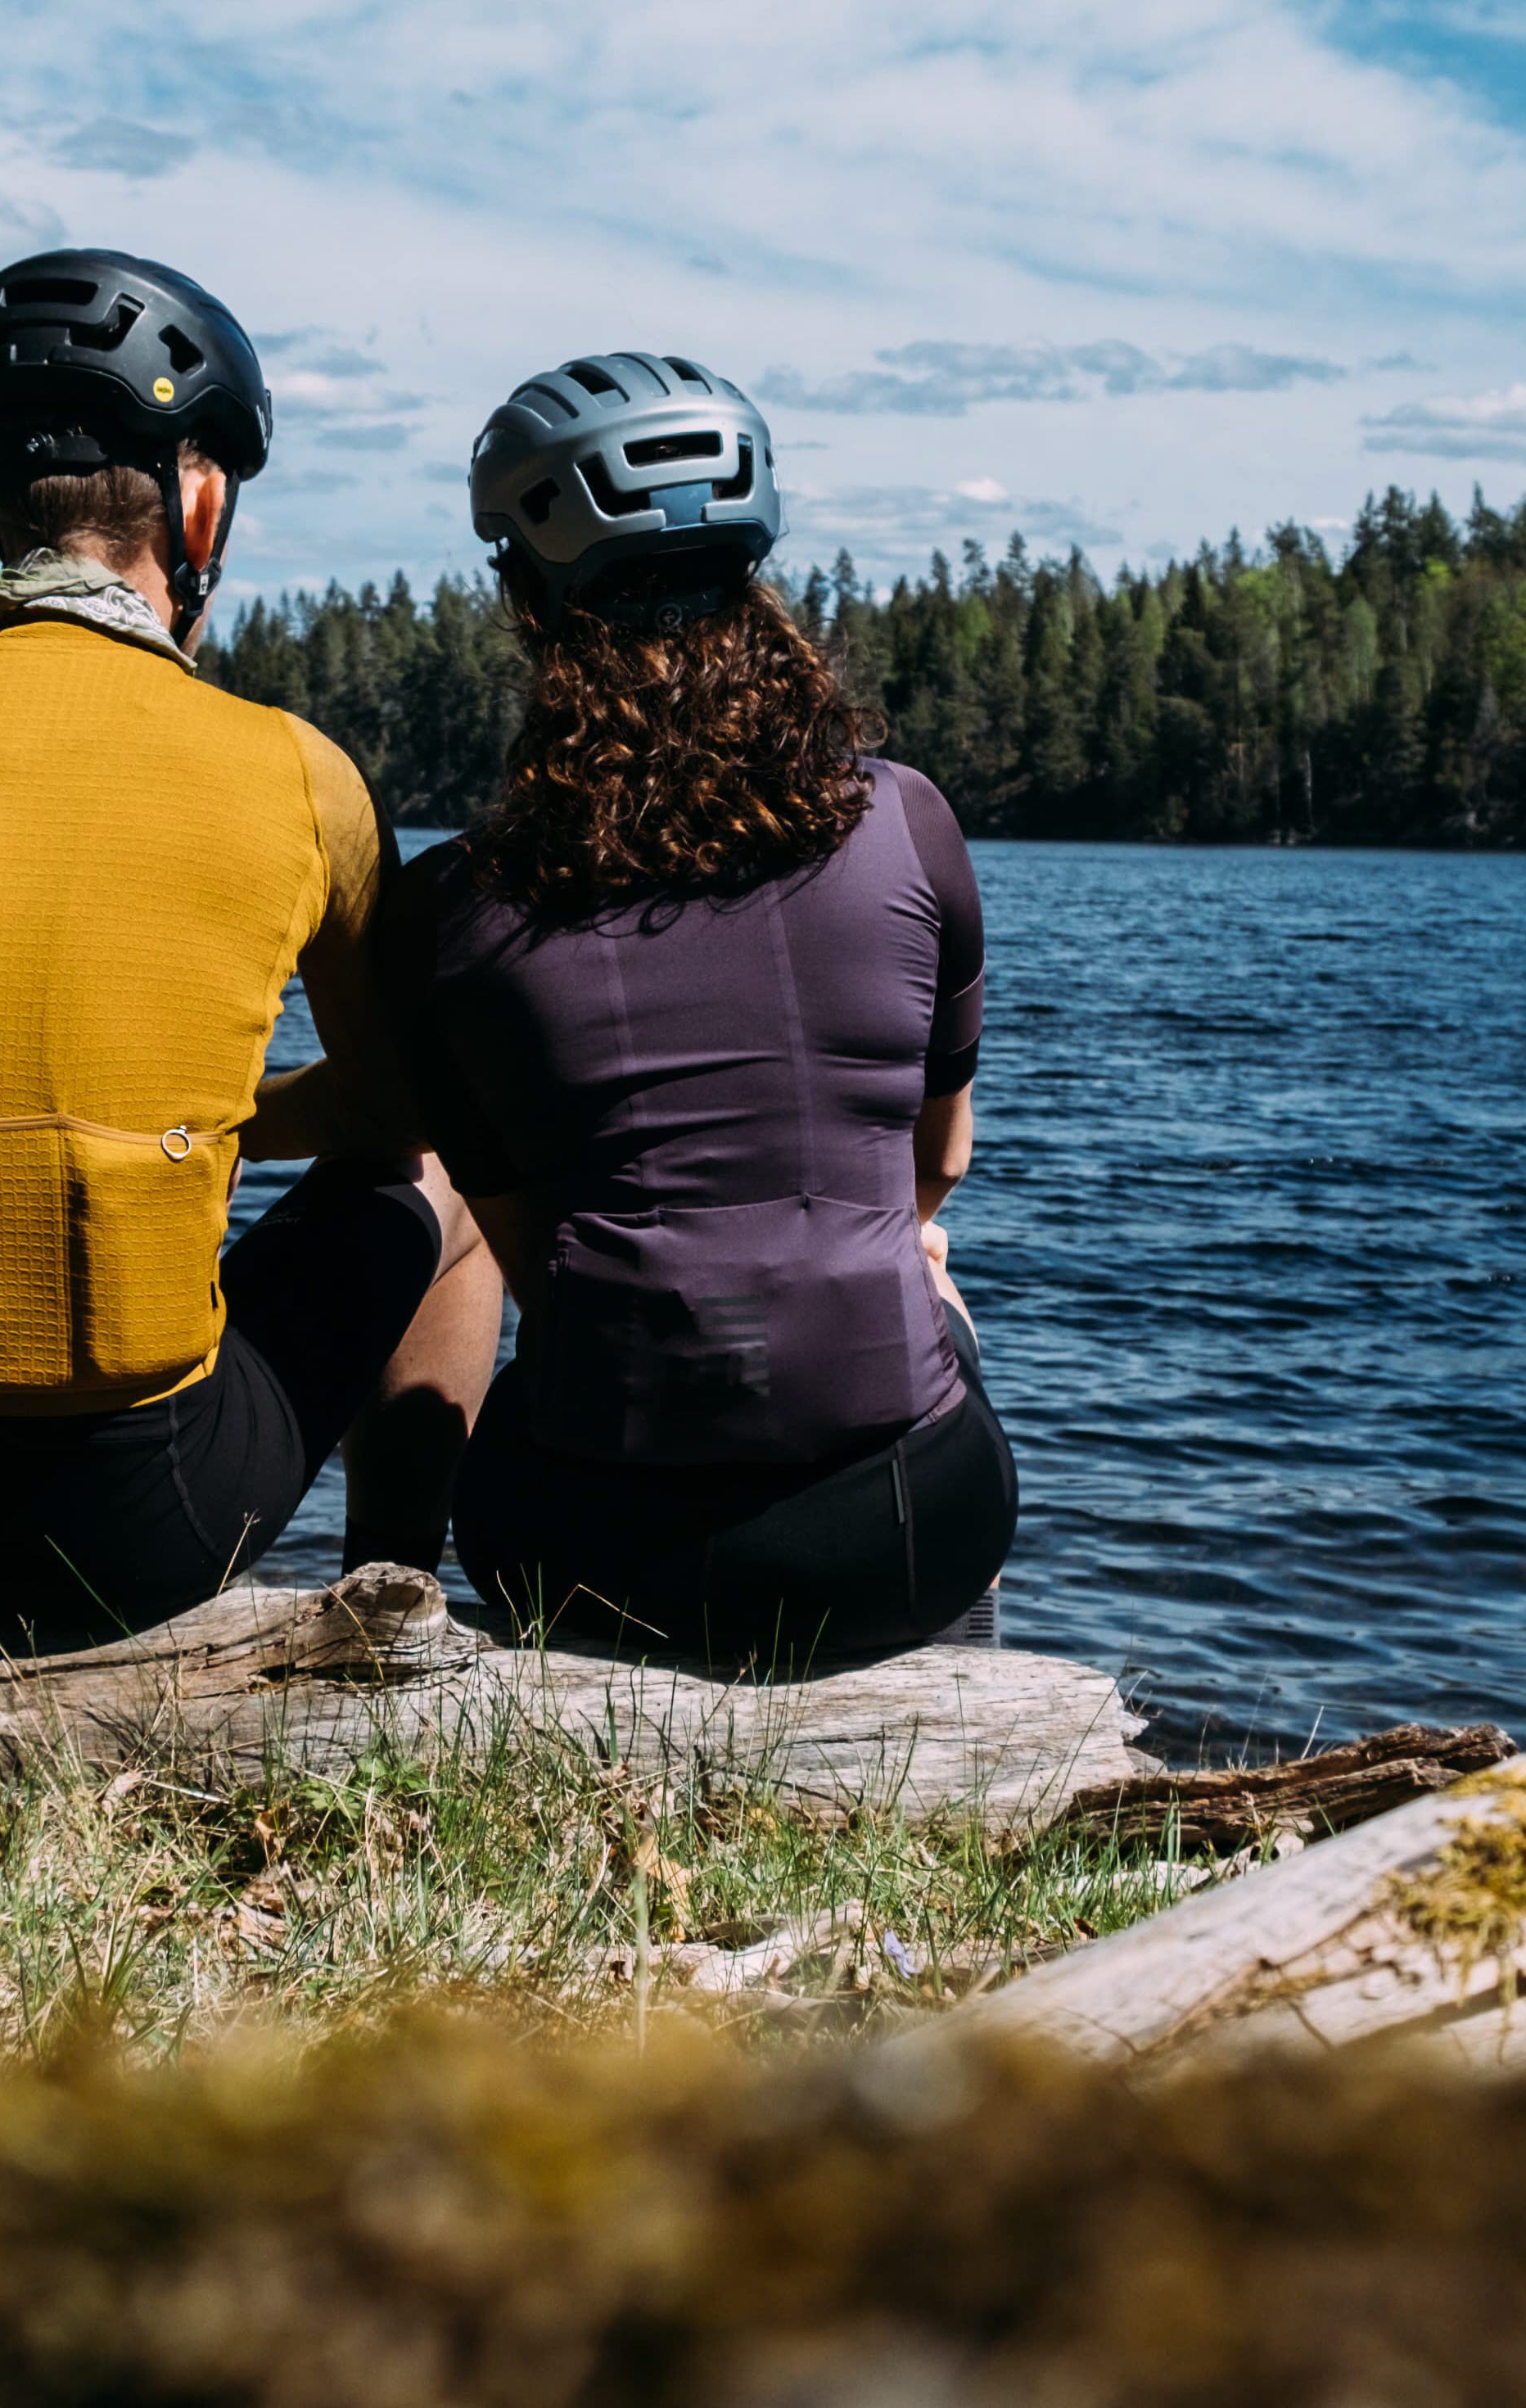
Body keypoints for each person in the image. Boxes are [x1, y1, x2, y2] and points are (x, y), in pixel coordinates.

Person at [0, 249, 499, 1655]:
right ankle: (401, 1603)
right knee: (445, 1189)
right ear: (197, 498)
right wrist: (204, 1134)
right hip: (122, 1534)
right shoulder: (294, 772)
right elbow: (394, 1116)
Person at [377, 351, 1016, 1670]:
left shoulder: (453, 904)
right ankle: (953, 1706)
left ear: (527, 596)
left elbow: (528, 1253)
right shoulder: (907, 819)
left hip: (595, 1551)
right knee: (927, 1290)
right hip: (901, 1535)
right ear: (756, 568)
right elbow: (934, 1166)